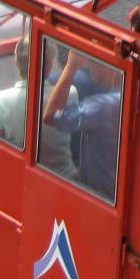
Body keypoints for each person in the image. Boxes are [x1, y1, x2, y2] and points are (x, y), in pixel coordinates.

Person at [0, 37, 78, 176]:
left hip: (20, 177)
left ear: (16, 61)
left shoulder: (0, 101)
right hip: (66, 177)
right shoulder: (71, 93)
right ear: (50, 65)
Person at [43, 48, 123, 202]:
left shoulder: (100, 107)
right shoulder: (131, 94)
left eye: (92, 61)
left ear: (108, 65)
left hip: (99, 196)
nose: (88, 65)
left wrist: (70, 67)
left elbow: (51, 116)